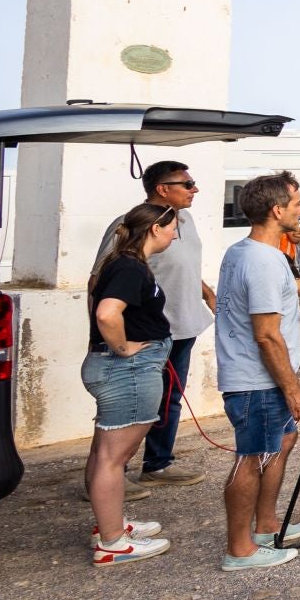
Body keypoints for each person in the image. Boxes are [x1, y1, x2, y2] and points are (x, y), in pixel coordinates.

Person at [213, 172, 300, 572]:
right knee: (251, 457)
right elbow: (267, 336)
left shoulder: (247, 251)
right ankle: (240, 549)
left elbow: (296, 287)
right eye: (297, 204)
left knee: (282, 442)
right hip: (257, 380)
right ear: (277, 210)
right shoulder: (263, 262)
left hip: (257, 378)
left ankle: (267, 524)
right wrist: (293, 390)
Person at [86, 160, 216, 494]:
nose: (194, 189)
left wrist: (206, 293)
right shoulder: (131, 224)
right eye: (187, 184)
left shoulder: (184, 220)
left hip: (183, 327)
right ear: (162, 188)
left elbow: (183, 265)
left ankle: (157, 464)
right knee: (127, 407)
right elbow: (100, 278)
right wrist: (106, 339)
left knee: (167, 400)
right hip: (146, 335)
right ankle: (110, 475)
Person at [81, 203, 181, 566]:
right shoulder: (129, 266)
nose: (175, 233)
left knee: (103, 452)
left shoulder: (122, 262)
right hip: (128, 371)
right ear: (156, 229)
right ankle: (112, 544)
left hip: (118, 369)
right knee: (113, 458)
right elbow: (107, 312)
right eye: (173, 227)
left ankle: (110, 526)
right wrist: (123, 348)